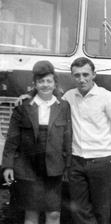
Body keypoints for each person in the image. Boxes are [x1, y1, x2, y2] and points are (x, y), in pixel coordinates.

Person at [1, 60, 72, 224]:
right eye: (41, 81)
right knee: (31, 214)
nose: (45, 85)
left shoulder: (63, 107)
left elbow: (68, 138)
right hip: (28, 168)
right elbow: (12, 139)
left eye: (49, 81)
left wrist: (67, 165)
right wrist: (8, 165)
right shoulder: (23, 107)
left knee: (53, 214)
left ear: (55, 83)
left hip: (54, 168)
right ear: (34, 84)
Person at [63, 57, 111, 224]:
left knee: (102, 210)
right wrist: (28, 96)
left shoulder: (106, 96)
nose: (81, 79)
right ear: (72, 76)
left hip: (102, 162)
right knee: (79, 211)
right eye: (77, 75)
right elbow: (47, 103)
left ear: (94, 75)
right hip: (76, 163)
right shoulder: (68, 97)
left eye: (85, 74)